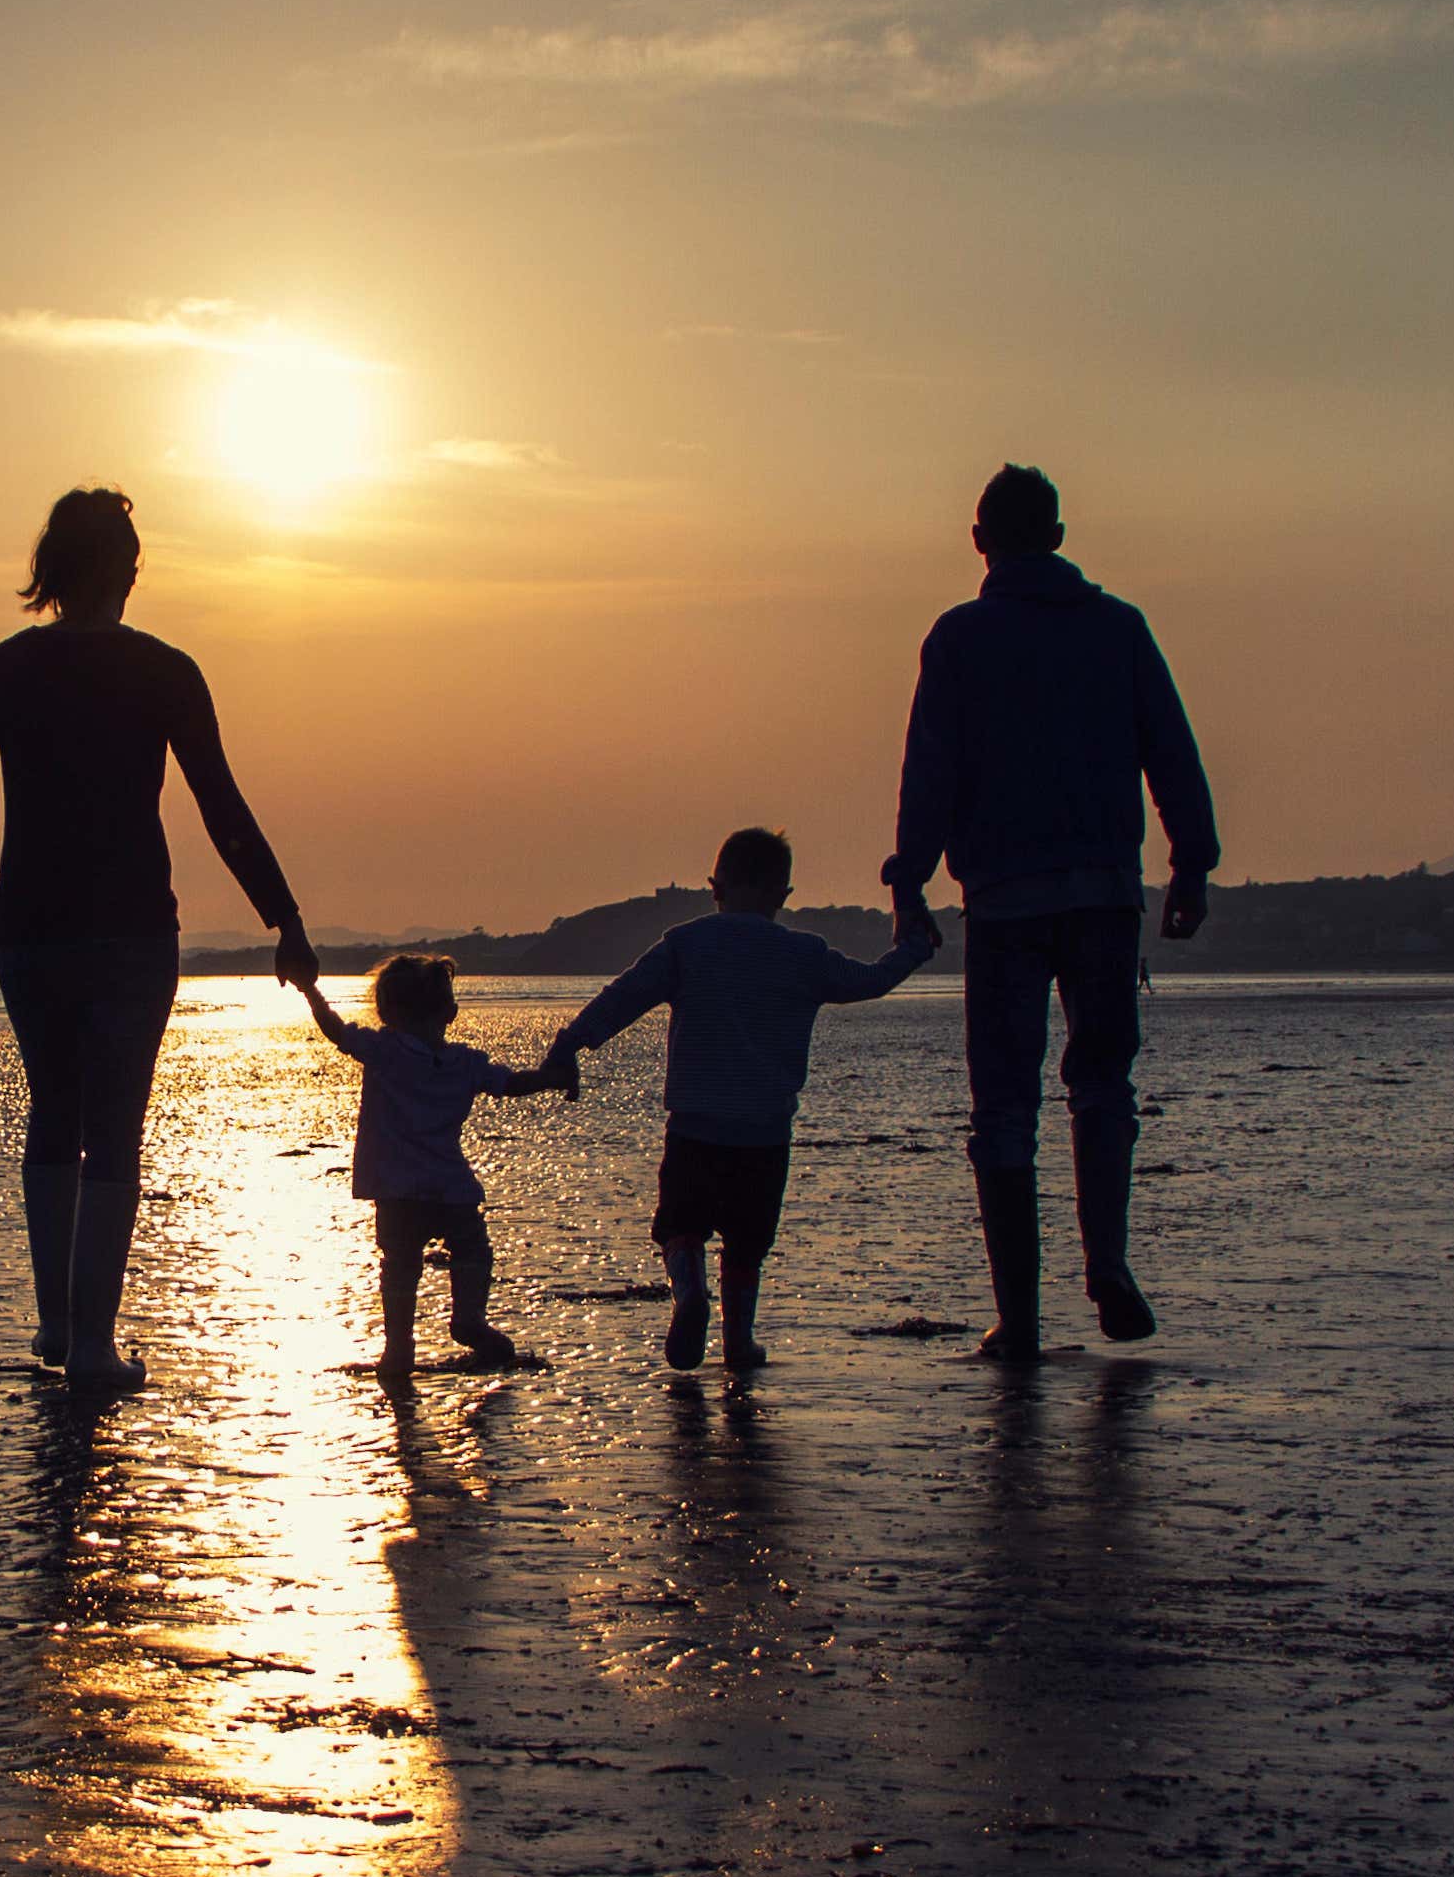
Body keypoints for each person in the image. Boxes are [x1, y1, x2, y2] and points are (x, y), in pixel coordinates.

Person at [0, 487, 315, 1392]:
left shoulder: (6, 669)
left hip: (32, 929)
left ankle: (56, 1325)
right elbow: (223, 809)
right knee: (115, 1130)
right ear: (127, 570)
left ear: (49, 573)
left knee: (52, 1111)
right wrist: (283, 920)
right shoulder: (167, 671)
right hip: (131, 928)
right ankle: (91, 1341)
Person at [886, 464, 1217, 1360]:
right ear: (1060, 537)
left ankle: (1021, 1317)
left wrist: (910, 878)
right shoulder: (1119, 629)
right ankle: (1106, 1259)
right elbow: (1171, 753)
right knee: (1104, 1085)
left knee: (1003, 1103)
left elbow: (932, 769)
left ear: (980, 539)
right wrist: (1191, 864)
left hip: (1001, 902)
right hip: (1105, 893)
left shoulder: (959, 638)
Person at [546, 828, 930, 1371]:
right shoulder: (804, 953)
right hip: (764, 1131)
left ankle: (689, 1295)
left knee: (681, 1227)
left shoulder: (687, 943)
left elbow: (623, 997)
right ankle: (737, 1342)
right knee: (747, 1245)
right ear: (783, 894)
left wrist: (569, 1045)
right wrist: (913, 948)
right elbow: (870, 980)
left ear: (714, 886)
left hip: (694, 1126)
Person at [298, 953, 575, 1378]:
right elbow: (513, 1084)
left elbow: (337, 1032)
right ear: (450, 1012)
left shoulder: (384, 1050)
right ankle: (469, 1321)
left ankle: (398, 1348)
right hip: (451, 1188)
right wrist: (552, 1077)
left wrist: (311, 991)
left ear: (387, 1011)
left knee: (400, 1267)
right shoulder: (464, 1063)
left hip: (396, 1190)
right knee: (472, 1251)